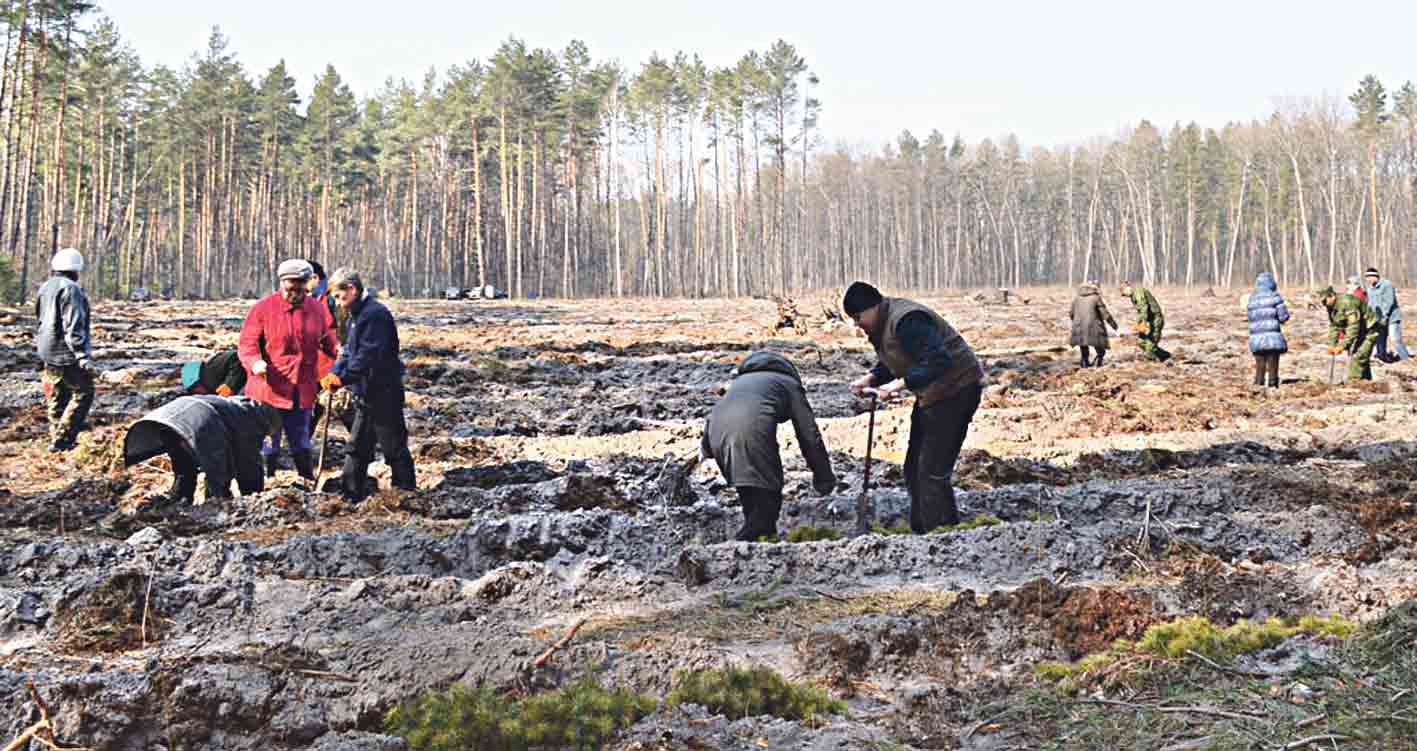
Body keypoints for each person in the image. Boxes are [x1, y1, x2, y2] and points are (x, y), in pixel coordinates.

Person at [843, 282, 984, 533]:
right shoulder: (885, 323)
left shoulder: (908, 320)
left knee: (931, 471)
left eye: (857, 317)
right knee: (913, 468)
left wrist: (899, 385)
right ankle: (922, 531)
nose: (857, 324)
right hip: (933, 395)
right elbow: (900, 357)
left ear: (873, 307)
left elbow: (938, 360)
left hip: (956, 391)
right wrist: (872, 378)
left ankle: (942, 536)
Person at [701, 352, 836, 542]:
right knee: (768, 505)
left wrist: (707, 448)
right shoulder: (788, 384)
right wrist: (824, 478)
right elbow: (809, 435)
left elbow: (721, 413)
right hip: (749, 434)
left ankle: (757, 555)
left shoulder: (741, 382)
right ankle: (734, 549)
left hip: (715, 436)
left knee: (752, 502)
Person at [320, 268, 416, 500]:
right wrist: (334, 373)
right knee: (357, 448)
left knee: (393, 448)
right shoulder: (356, 314)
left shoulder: (374, 315)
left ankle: (406, 495)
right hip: (366, 394)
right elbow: (347, 353)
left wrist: (343, 379)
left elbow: (367, 356)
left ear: (352, 289)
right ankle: (350, 494)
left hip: (383, 394)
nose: (337, 301)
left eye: (339, 296)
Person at [238, 259, 338, 481]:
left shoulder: (316, 309)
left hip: (302, 389)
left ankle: (307, 480)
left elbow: (327, 338)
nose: (295, 295)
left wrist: (338, 351)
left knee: (301, 439)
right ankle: (265, 481)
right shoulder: (262, 309)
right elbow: (247, 344)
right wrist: (255, 363)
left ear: (307, 285)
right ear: (281, 283)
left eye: (300, 290)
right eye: (290, 289)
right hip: (268, 389)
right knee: (268, 441)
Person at [122, 395, 279, 508]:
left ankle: (179, 502)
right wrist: (253, 498)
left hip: (171, 416)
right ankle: (212, 510)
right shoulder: (253, 421)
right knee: (217, 471)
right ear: (268, 425)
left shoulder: (236, 405)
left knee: (184, 465)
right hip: (199, 419)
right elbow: (248, 464)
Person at [35, 248, 98, 452]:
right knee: (84, 392)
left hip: (46, 350)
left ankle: (56, 436)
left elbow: (40, 319)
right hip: (65, 352)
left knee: (57, 394)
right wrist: (82, 355)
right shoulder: (71, 289)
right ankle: (63, 439)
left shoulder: (45, 287)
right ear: (76, 270)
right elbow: (73, 325)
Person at [1319, 285, 1379, 381]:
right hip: (1359, 331)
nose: (1323, 304)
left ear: (1331, 296)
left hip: (1369, 331)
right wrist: (1332, 344)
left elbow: (1353, 327)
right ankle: (1366, 383)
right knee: (1360, 358)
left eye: (1324, 301)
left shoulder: (1348, 303)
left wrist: (1342, 345)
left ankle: (1354, 384)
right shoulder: (1331, 306)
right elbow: (1335, 325)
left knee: (1358, 356)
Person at [1246, 272, 1290, 389]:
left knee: (1259, 365)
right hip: (1273, 337)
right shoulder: (1275, 297)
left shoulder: (1251, 299)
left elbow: (1250, 318)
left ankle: (1258, 387)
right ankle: (1273, 385)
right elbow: (1283, 317)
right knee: (1273, 365)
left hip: (1256, 338)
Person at [1364, 267, 1410, 363]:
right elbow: (1370, 304)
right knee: (1380, 339)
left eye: (1368, 277)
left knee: (1395, 339)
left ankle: (1406, 358)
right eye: (1366, 278)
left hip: (1391, 317)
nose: (1367, 280)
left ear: (1374, 276)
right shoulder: (1369, 289)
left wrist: (1384, 316)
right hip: (1378, 318)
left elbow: (1389, 302)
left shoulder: (1386, 285)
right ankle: (1382, 357)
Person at [1069, 282, 1118, 367]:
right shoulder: (1096, 298)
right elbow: (1105, 313)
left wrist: (1076, 322)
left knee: (1084, 348)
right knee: (1101, 351)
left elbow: (1071, 314)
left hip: (1079, 328)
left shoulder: (1076, 298)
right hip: (1093, 327)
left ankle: (1085, 366)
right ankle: (1097, 365)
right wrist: (1114, 325)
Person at [1120, 281, 1169, 362]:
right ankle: (1165, 356)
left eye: (1124, 293)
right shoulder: (1133, 295)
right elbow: (1140, 312)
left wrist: (1142, 323)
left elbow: (1144, 308)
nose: (1125, 296)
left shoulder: (1138, 292)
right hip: (1148, 320)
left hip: (1155, 319)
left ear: (1127, 288)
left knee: (1150, 346)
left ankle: (1153, 360)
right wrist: (1137, 323)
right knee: (1141, 342)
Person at [180, 349, 247, 396]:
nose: (198, 395)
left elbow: (237, 356)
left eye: (194, 391)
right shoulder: (211, 387)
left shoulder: (213, 369)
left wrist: (230, 385)